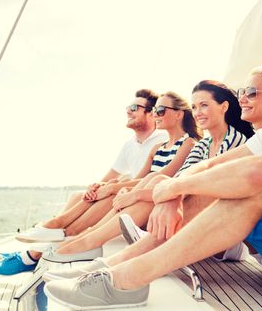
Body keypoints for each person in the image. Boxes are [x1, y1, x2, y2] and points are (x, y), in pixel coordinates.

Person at [44, 31, 262, 311]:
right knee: (209, 181)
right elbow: (212, 164)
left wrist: (168, 190)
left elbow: (260, 175)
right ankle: (113, 266)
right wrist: (175, 189)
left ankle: (126, 281)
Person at [42, 78, 257, 277]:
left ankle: (88, 244)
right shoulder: (203, 144)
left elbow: (212, 188)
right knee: (157, 180)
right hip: (194, 221)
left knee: (158, 185)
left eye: (204, 105)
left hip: (223, 233)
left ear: (224, 107)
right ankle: (86, 241)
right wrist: (144, 192)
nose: (198, 112)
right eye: (194, 106)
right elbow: (179, 180)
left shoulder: (236, 141)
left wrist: (137, 196)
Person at [0, 89, 167, 275]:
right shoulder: (130, 144)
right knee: (79, 196)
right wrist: (95, 186)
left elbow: (147, 179)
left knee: (90, 210)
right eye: (128, 107)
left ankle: (32, 255)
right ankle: (43, 242)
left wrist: (111, 187)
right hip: (122, 193)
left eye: (134, 108)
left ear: (151, 113)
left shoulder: (161, 140)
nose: (128, 111)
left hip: (135, 202)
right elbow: (113, 173)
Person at [41, 91, 201, 262]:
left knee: (147, 179)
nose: (156, 115)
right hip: (148, 199)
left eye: (160, 110)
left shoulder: (188, 144)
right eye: (154, 111)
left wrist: (121, 190)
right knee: (121, 182)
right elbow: (139, 179)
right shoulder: (158, 148)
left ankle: (80, 235)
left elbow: (163, 178)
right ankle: (80, 234)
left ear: (178, 114)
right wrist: (119, 187)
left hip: (162, 206)